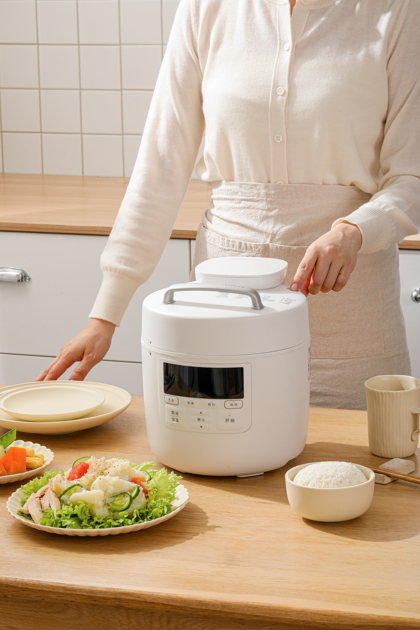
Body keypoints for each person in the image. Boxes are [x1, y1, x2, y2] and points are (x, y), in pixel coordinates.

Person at [37, 0, 420, 410]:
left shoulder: (396, 10)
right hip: (222, 309)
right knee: (215, 444)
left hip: (351, 313)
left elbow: (411, 176)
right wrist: (104, 318)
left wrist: (355, 230)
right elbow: (160, 169)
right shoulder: (205, 8)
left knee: (361, 451)